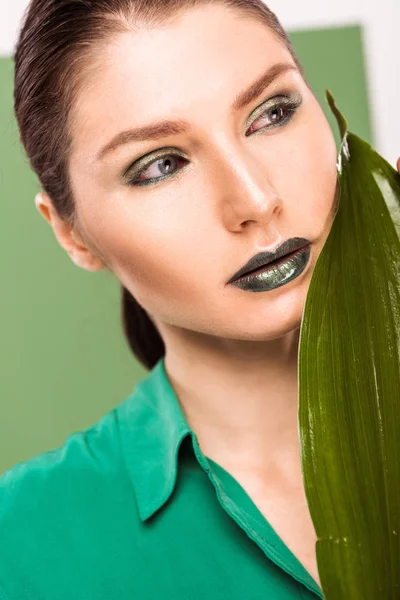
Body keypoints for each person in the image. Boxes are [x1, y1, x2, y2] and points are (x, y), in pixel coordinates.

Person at [1, 1, 399, 598]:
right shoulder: (22, 543)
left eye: (271, 114)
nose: (255, 200)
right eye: (160, 165)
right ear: (71, 233)